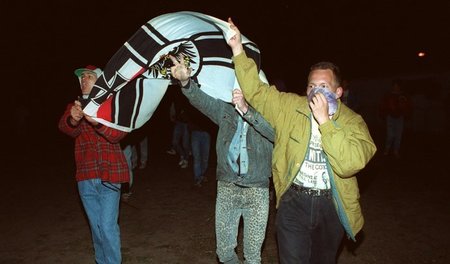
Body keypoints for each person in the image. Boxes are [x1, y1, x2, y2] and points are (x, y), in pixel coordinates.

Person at [227, 18, 377, 264]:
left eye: (323, 86)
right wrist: (237, 49)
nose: (316, 92)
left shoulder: (354, 123)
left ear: (338, 92)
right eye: (311, 86)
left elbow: (350, 164)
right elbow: (257, 92)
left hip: (331, 206)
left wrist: (325, 124)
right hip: (294, 203)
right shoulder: (291, 107)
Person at [169, 55, 275, 264]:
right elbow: (201, 101)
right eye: (237, 87)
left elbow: (274, 134)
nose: (239, 92)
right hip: (227, 187)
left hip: (257, 191)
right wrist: (184, 82)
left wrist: (247, 111)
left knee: (253, 256)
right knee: (224, 253)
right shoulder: (225, 111)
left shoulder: (271, 114)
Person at [58, 65, 129, 264]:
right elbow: (65, 128)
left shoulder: (111, 104)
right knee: (96, 228)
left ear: (99, 80)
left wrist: (97, 122)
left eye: (89, 76)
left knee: (107, 226)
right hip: (85, 176)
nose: (84, 79)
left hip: (110, 174)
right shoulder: (76, 106)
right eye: (81, 77)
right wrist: (73, 118)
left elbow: (119, 134)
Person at [379, 80, 411, 158]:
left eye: (397, 86)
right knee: (390, 135)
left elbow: (407, 105)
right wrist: (383, 115)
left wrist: (406, 114)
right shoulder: (388, 95)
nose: (396, 88)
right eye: (394, 86)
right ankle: (387, 149)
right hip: (390, 117)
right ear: (392, 87)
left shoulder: (403, 95)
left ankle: (396, 151)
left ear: (399, 87)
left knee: (398, 135)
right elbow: (383, 105)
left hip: (400, 118)